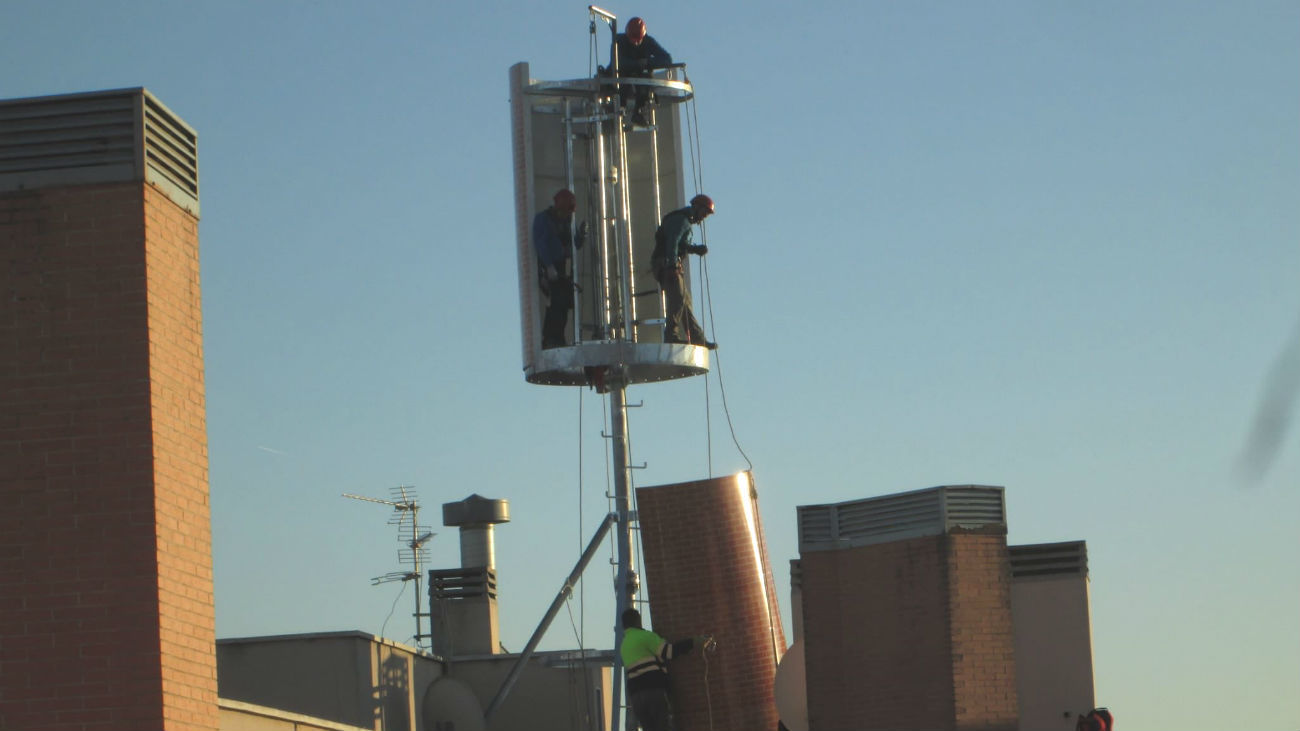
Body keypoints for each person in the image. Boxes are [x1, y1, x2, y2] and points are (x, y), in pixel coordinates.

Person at [620, 608, 707, 731]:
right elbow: (668, 652)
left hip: (636, 698)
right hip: (653, 691)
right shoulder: (645, 636)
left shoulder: (624, 645)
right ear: (636, 621)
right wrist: (693, 642)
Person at [650, 193, 715, 348]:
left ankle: (697, 338)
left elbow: (680, 244)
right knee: (678, 299)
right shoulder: (681, 221)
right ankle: (671, 336)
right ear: (697, 208)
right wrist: (672, 266)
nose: (704, 217)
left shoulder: (683, 221)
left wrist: (694, 249)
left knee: (685, 302)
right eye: (704, 213)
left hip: (668, 263)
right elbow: (672, 242)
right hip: (666, 264)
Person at [532, 189, 584, 348]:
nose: (566, 215)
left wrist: (581, 236)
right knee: (555, 301)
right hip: (548, 267)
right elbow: (540, 243)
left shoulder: (567, 222)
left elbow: (574, 245)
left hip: (561, 268)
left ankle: (558, 337)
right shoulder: (544, 220)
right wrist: (548, 266)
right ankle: (550, 338)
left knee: (564, 301)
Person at [609, 16, 672, 126]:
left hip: (640, 79)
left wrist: (648, 62)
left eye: (639, 39)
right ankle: (619, 108)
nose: (636, 43)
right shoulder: (619, 42)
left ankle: (638, 112)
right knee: (624, 81)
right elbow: (618, 62)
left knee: (645, 82)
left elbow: (666, 58)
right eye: (634, 39)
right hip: (622, 78)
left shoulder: (648, 42)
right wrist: (637, 64)